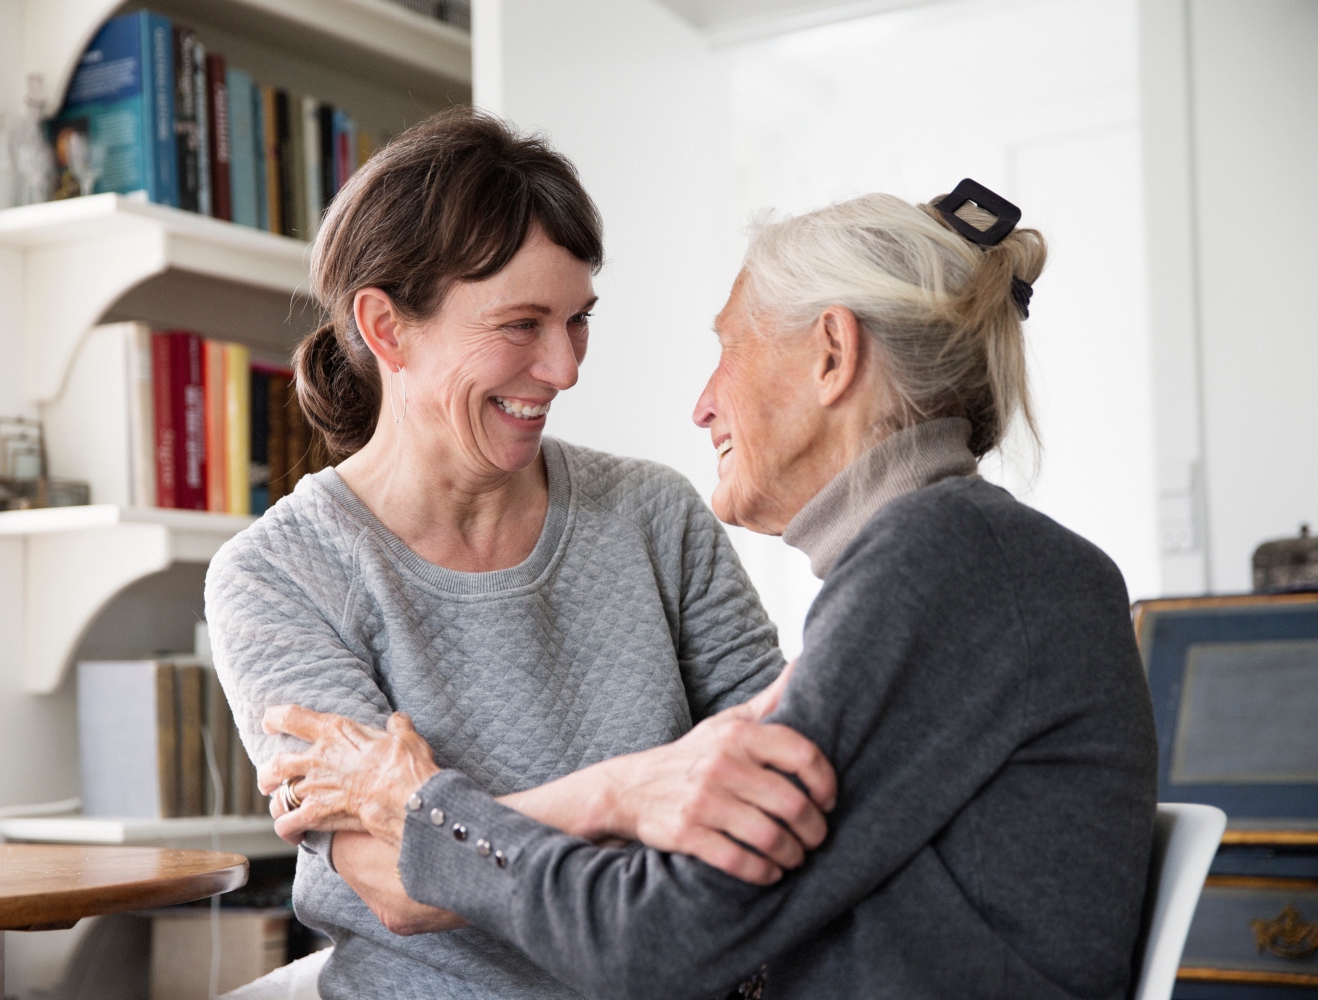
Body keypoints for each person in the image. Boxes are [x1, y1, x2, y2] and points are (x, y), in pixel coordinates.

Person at [260, 183, 1161, 1000]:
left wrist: (414, 806)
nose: (701, 403)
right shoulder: (960, 556)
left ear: (831, 354)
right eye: (521, 325)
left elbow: (653, 937)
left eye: (729, 348)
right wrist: (630, 793)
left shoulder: (945, 558)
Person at [205, 108, 836, 1000]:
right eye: (520, 324)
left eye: (578, 320)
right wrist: (629, 794)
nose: (565, 367)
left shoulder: (653, 514)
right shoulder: (281, 573)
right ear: (387, 328)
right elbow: (391, 884)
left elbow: (770, 790)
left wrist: (430, 814)